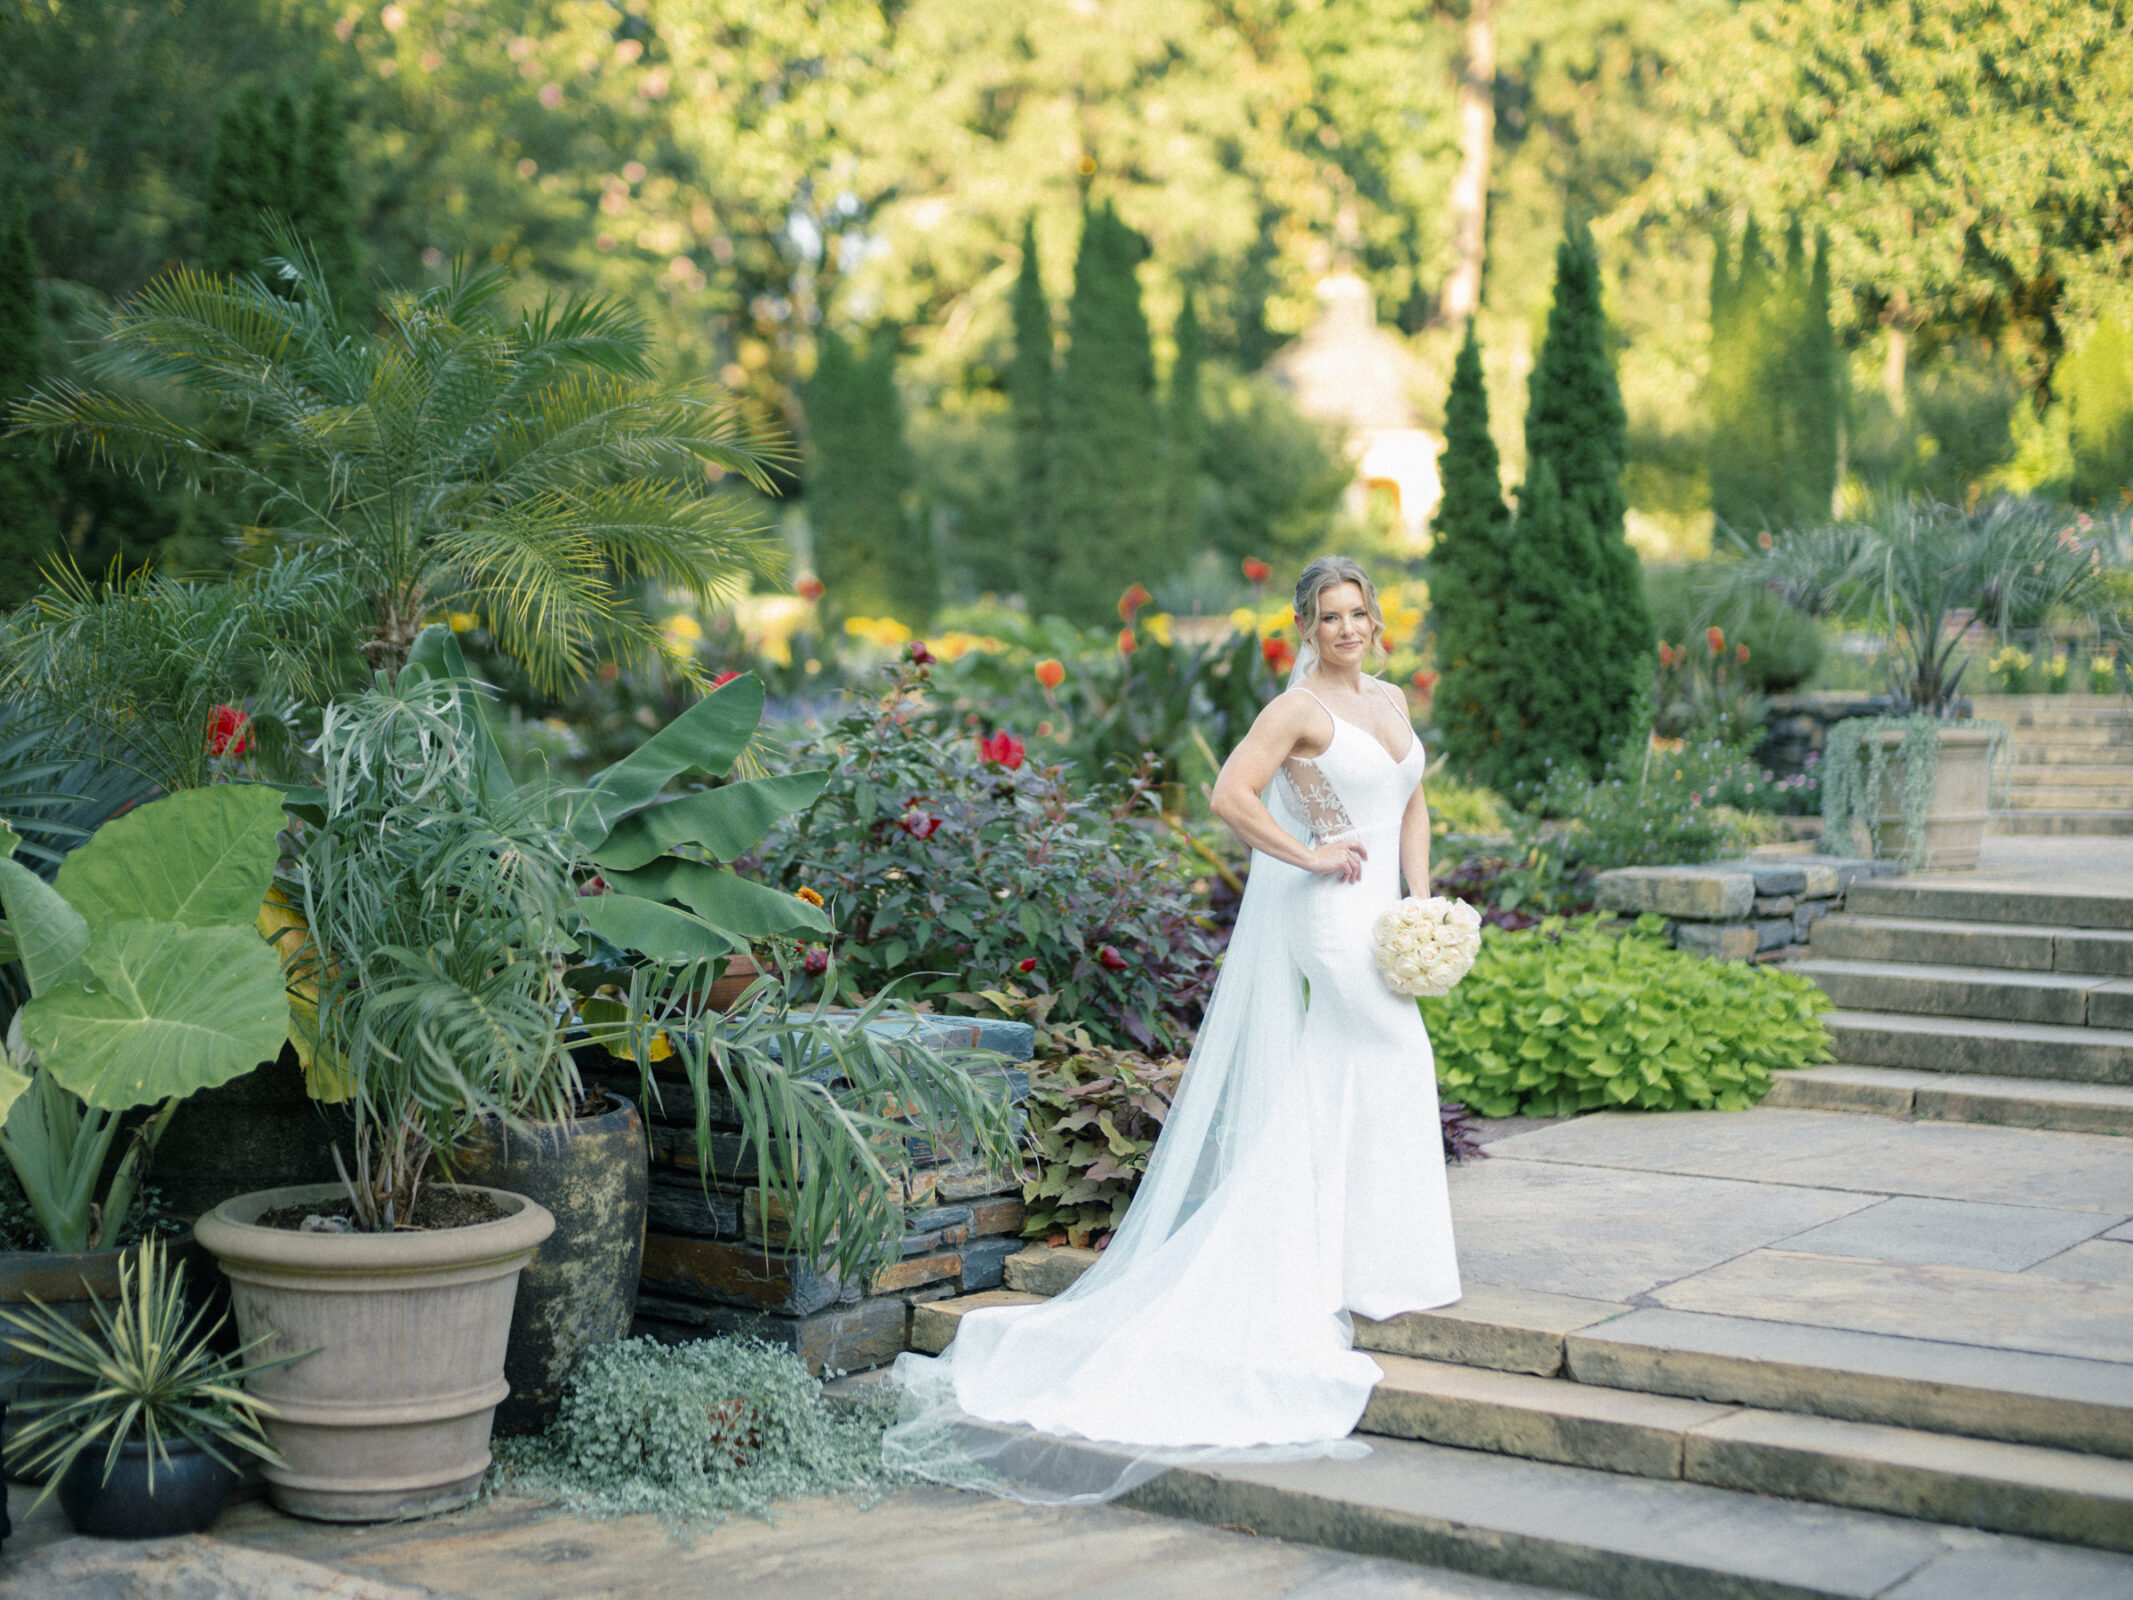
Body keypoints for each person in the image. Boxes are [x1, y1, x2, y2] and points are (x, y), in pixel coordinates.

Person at [883, 556, 1461, 1502]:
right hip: (1330, 914)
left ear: (1374, 620)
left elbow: (1411, 804)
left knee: (1349, 1065)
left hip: (1387, 916)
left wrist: (1423, 907)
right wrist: (1308, 854)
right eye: (1329, 615)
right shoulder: (1297, 709)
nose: (1347, 628)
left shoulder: (1390, 700)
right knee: (1395, 1051)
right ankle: (1325, 1260)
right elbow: (1232, 797)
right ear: (1306, 627)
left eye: (1358, 613)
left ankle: (1356, 1259)